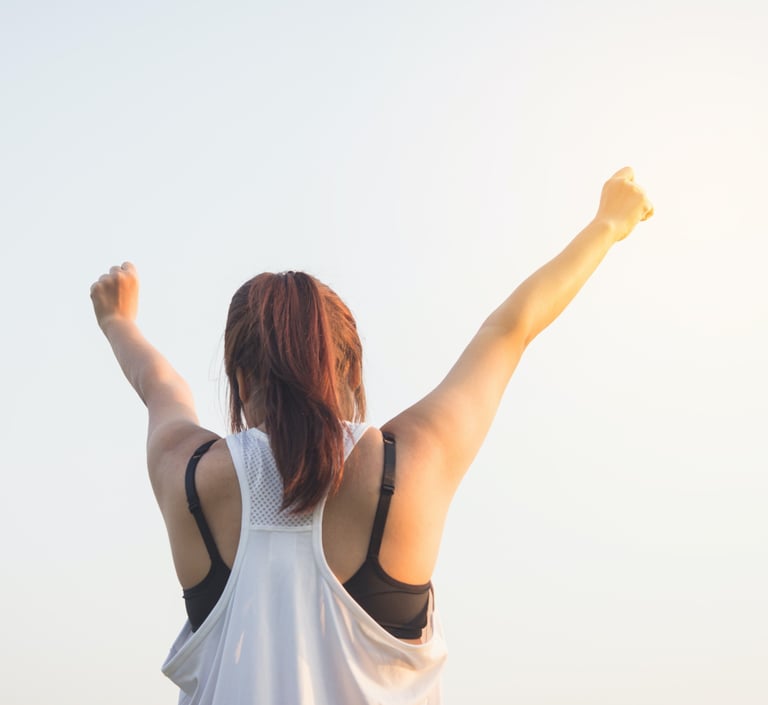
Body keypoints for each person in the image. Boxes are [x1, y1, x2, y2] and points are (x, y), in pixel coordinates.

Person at [90, 167, 653, 704]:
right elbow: (508, 331)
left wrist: (119, 321)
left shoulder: (187, 475)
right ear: (348, 369)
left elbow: (159, 384)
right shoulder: (408, 467)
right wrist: (607, 225)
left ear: (239, 376)